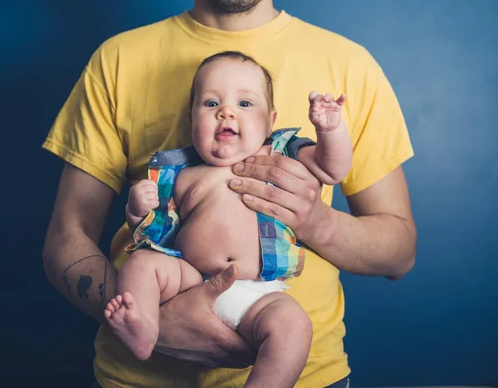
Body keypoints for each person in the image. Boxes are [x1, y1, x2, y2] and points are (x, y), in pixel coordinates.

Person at [41, 0, 417, 387]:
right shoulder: (117, 60)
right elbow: (66, 238)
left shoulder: (348, 67)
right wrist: (156, 321)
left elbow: (399, 254)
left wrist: (316, 222)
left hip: (306, 371)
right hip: (139, 376)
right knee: (144, 266)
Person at [103, 50, 352, 388]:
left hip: (255, 293)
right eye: (210, 104)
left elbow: (330, 168)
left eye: (245, 104)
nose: (226, 112)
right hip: (187, 280)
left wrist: (330, 130)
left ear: (271, 120)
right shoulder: (181, 174)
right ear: (191, 117)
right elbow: (153, 231)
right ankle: (144, 327)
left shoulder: (280, 155)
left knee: (293, 325)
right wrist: (136, 208)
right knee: (142, 263)